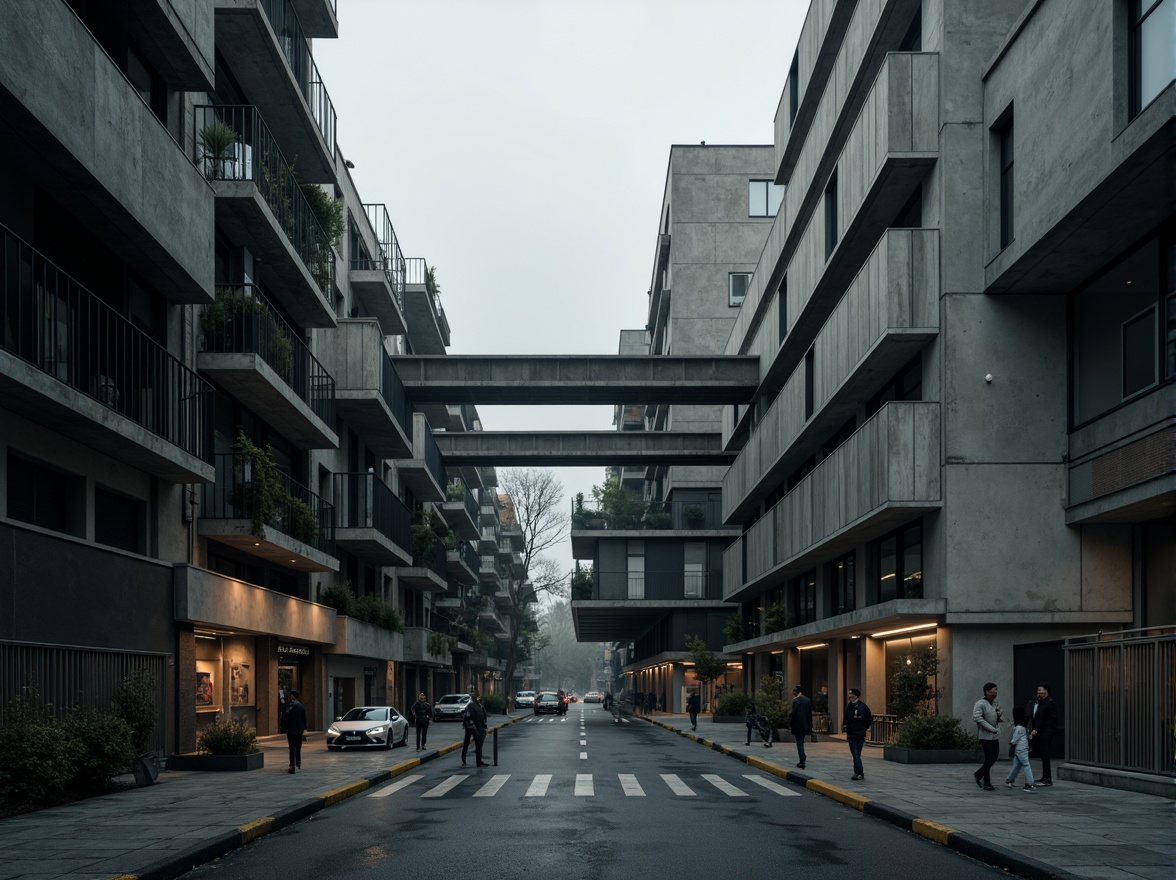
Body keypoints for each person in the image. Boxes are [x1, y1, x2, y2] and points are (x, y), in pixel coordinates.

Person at [972, 682, 1004, 791]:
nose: (996, 691)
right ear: (988, 691)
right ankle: (980, 775)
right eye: (994, 689)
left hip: (995, 735)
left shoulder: (995, 703)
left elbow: (997, 718)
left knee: (993, 758)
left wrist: (999, 716)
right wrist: (990, 728)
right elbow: (977, 717)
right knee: (990, 758)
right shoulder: (980, 703)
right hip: (985, 736)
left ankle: (986, 782)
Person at [1025, 682, 1057, 787]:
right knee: (1042, 755)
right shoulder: (1035, 703)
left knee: (1045, 755)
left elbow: (1049, 720)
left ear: (1047, 691)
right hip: (1036, 733)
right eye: (1038, 690)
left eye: (1042, 690)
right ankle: (1044, 777)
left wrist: (1039, 730)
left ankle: (1047, 779)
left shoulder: (1050, 703)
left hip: (1045, 733)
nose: (1039, 692)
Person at [1005, 706, 1036, 791]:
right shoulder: (1023, 727)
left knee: (1017, 766)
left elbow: (1015, 739)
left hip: (1019, 749)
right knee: (1026, 764)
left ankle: (1010, 780)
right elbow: (1021, 737)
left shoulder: (1019, 727)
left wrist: (1012, 743)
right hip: (1022, 749)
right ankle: (1030, 783)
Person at [844, 688, 872, 781]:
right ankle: (858, 772)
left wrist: (864, 728)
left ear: (856, 695)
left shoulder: (863, 707)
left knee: (856, 753)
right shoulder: (849, 706)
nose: (849, 696)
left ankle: (859, 773)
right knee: (856, 753)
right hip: (852, 733)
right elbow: (846, 718)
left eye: (851, 694)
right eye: (849, 694)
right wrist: (846, 726)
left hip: (860, 733)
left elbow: (868, 719)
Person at [280, 689, 307, 774]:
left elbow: (285, 718)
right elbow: (304, 718)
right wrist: (304, 728)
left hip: (291, 730)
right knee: (298, 747)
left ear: (292, 696)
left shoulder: (289, 706)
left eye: (290, 695)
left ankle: (292, 765)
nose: (289, 697)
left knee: (292, 747)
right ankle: (298, 762)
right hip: (299, 730)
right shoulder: (301, 706)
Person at [460, 690, 489, 767]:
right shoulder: (471, 706)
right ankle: (463, 757)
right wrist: (471, 725)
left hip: (479, 727)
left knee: (479, 745)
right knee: (467, 742)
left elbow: (482, 717)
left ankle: (479, 761)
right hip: (471, 727)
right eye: (476, 697)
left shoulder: (479, 706)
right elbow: (467, 717)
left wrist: (484, 725)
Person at [790, 685, 813, 768]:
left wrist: (788, 715)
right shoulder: (807, 700)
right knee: (801, 742)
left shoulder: (796, 701)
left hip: (797, 725)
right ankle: (803, 757)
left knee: (799, 743)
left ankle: (802, 760)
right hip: (805, 725)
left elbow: (793, 713)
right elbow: (809, 713)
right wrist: (810, 725)